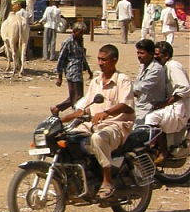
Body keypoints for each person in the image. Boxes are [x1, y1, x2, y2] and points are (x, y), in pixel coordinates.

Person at [59, 44, 135, 198]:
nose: (100, 63)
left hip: (116, 126)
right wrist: (67, 117)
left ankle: (107, 181)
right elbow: (87, 106)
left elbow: (126, 106)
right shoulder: (96, 81)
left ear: (114, 60)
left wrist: (106, 113)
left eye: (104, 59)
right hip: (93, 124)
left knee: (98, 138)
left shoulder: (123, 80)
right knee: (65, 137)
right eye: (99, 59)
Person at [145, 41, 190, 163]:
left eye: (157, 54)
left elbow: (184, 88)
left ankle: (163, 151)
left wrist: (165, 103)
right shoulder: (163, 67)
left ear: (166, 55)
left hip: (179, 107)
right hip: (174, 105)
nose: (155, 57)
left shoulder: (173, 66)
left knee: (151, 118)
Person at [51, 22, 94, 114]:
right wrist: (59, 77)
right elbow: (61, 59)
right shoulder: (68, 42)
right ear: (74, 31)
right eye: (80, 32)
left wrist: (88, 70)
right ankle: (77, 114)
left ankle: (57, 108)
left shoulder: (80, 40)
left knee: (73, 96)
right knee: (78, 96)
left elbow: (82, 56)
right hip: (71, 71)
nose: (81, 35)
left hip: (78, 71)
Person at [132, 38, 166, 123]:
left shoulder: (156, 69)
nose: (139, 56)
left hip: (150, 108)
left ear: (151, 54)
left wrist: (123, 91)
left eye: (142, 53)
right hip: (140, 105)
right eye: (138, 53)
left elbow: (140, 88)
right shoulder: (142, 66)